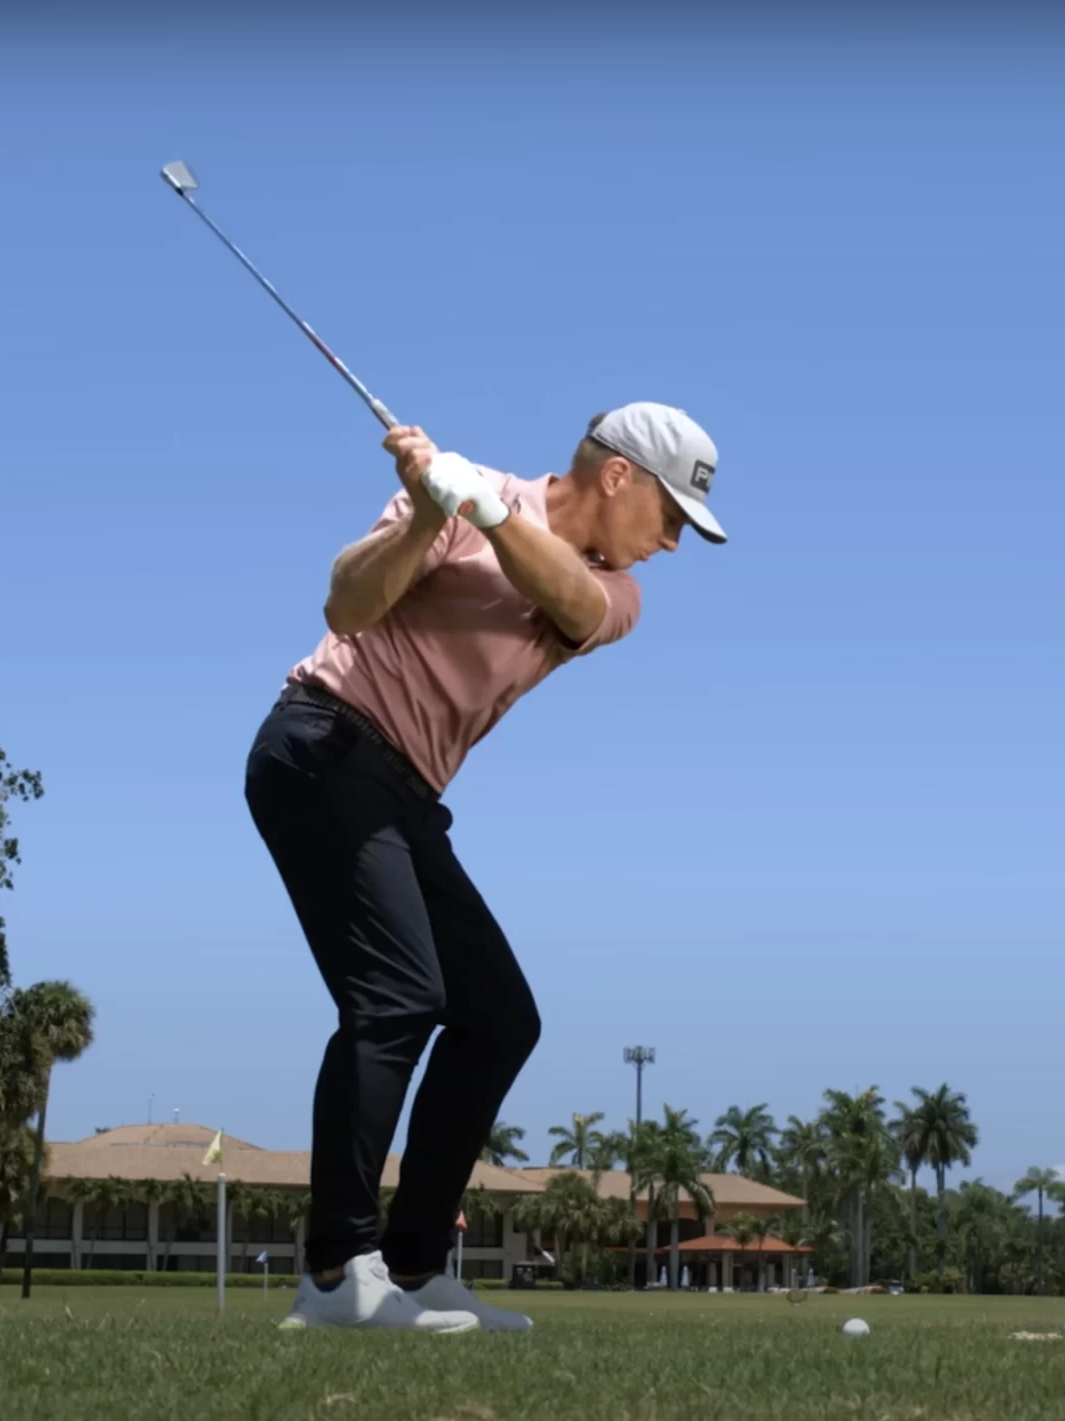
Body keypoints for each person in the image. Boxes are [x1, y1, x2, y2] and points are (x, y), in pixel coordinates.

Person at [244, 402, 725, 1334]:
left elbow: (575, 605)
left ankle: (416, 1272)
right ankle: (338, 1274)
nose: (670, 542)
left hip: (405, 792)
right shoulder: (461, 498)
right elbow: (344, 606)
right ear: (618, 474)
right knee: (396, 997)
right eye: (670, 516)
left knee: (499, 1018)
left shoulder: (610, 589)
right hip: (321, 746)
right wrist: (429, 512)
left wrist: (485, 514)